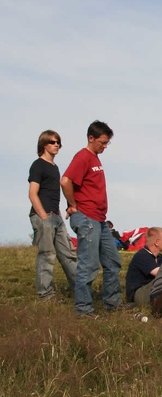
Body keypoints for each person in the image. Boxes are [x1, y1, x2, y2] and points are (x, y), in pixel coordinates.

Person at [61, 120, 122, 316]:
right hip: (87, 218)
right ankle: (84, 310)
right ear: (91, 138)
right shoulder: (83, 157)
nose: (104, 147)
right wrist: (73, 205)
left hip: (100, 219)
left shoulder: (95, 158)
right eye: (102, 143)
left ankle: (112, 304)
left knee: (113, 262)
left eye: (107, 143)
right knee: (88, 265)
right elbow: (65, 181)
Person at [28, 129, 77, 301]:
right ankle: (45, 295)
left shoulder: (54, 167)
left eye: (58, 142)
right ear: (43, 145)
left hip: (56, 217)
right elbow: (33, 193)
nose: (56, 145)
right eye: (52, 142)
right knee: (47, 255)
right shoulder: (38, 165)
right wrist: (44, 216)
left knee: (69, 254)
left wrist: (57, 212)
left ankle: (80, 290)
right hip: (44, 217)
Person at [125, 227, 162, 307]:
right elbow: (160, 273)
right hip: (139, 295)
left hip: (152, 291)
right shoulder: (142, 255)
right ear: (157, 242)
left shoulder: (160, 258)